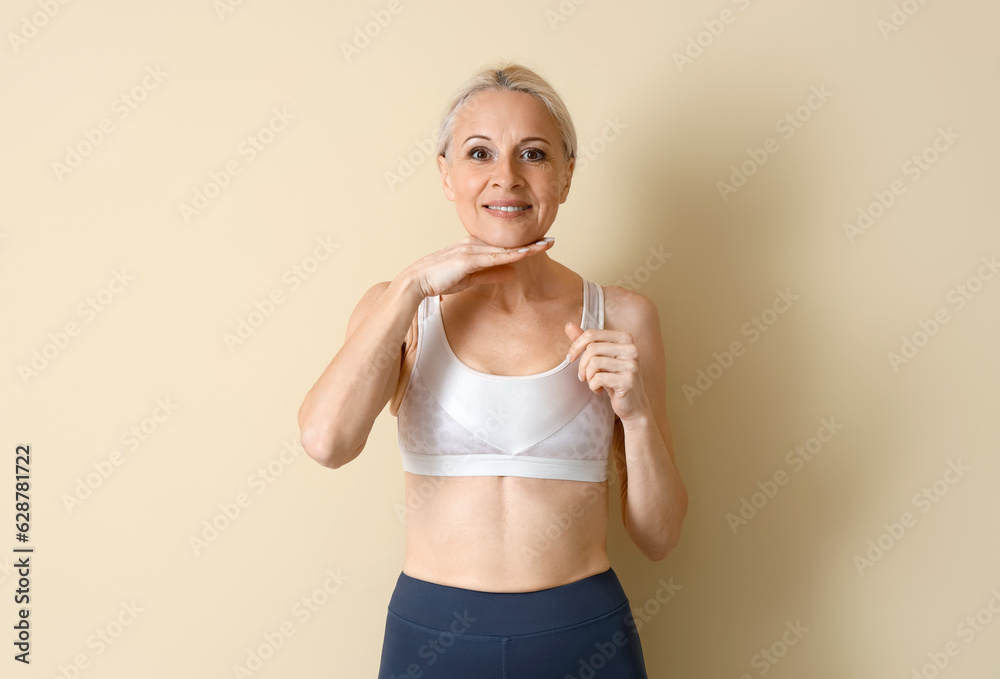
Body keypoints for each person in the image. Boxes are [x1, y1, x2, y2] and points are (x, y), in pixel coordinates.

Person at [297, 61, 688, 678]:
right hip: (433, 637)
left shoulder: (621, 317)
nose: (506, 178)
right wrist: (411, 286)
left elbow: (660, 536)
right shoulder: (397, 308)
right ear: (445, 173)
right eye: (479, 153)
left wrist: (636, 419)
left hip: (584, 636)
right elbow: (326, 442)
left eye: (533, 154)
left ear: (564, 176)